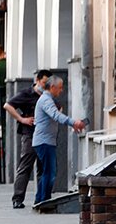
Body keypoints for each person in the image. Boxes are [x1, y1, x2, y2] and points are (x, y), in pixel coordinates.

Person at [33, 75, 86, 205]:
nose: (61, 91)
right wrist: (74, 122)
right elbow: (56, 115)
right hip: (44, 141)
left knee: (47, 171)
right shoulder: (46, 100)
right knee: (50, 172)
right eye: (60, 88)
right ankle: (44, 200)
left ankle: (40, 199)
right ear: (52, 87)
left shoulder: (46, 99)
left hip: (45, 141)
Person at [3, 70, 52, 208]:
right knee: (25, 166)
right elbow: (8, 105)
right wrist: (22, 119)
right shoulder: (27, 94)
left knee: (44, 167)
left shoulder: (49, 96)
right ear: (37, 80)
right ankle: (17, 198)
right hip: (30, 135)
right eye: (44, 83)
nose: (46, 86)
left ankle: (43, 198)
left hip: (46, 135)